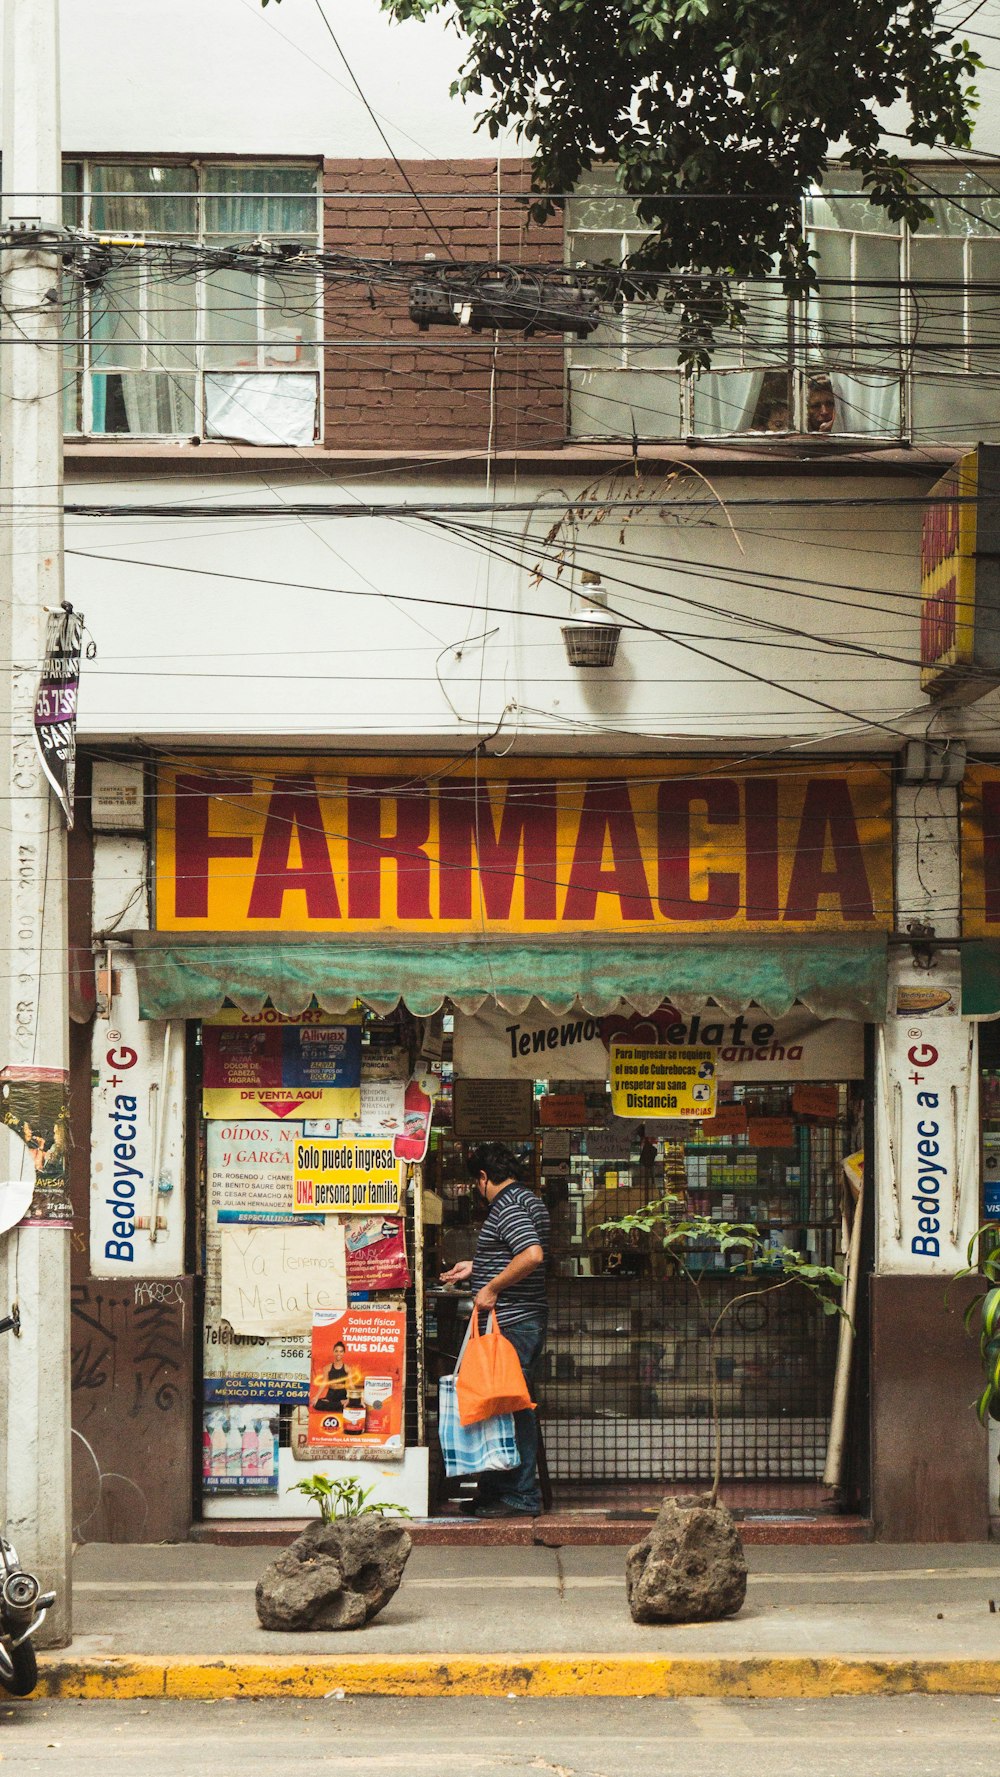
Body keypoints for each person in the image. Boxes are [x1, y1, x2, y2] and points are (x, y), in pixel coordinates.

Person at [440, 1140, 550, 1518]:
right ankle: (498, 1489)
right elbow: (516, 1249)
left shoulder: (508, 1205)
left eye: (476, 1183)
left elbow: (531, 1254)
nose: (477, 1191)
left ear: (484, 1177)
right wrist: (479, 1264)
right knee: (502, 1405)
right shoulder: (528, 1200)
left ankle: (520, 1495)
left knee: (513, 1406)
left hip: (513, 1322)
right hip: (520, 1319)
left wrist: (490, 1287)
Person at [312, 1339, 350, 1413]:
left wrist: (351, 1399)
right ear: (333, 1352)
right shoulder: (327, 1368)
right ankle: (339, 1405)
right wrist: (316, 1397)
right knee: (316, 1404)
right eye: (336, 1351)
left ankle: (340, 1404)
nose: (338, 1353)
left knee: (348, 1404)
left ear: (344, 1353)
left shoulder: (347, 1368)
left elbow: (351, 1385)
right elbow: (323, 1383)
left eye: (341, 1351)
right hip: (330, 1395)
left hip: (342, 1395)